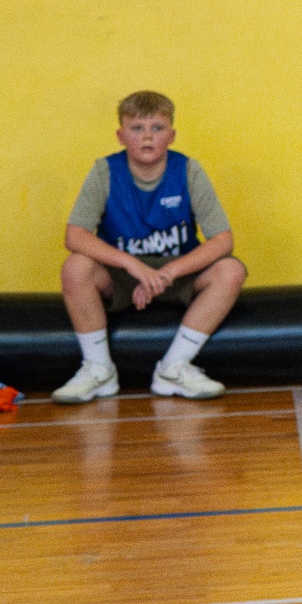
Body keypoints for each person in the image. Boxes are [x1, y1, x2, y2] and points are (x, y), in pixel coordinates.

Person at [53, 90, 245, 403]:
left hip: (177, 272)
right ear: (121, 136)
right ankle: (99, 369)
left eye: (157, 128)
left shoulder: (188, 170)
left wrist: (168, 272)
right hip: (122, 275)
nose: (147, 137)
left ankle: (174, 367)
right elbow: (74, 236)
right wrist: (132, 265)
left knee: (231, 270)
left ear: (171, 135)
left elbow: (223, 240)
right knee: (75, 266)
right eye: (136, 128)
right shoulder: (105, 171)